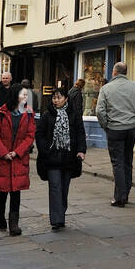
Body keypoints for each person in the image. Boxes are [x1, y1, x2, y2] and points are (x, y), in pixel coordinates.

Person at [0, 84, 36, 236]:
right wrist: (4, 152)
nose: (25, 97)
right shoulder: (1, 112)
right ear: (16, 95)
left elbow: (30, 135)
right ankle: (0, 218)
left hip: (18, 159)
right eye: (23, 94)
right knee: (2, 191)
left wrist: (17, 152)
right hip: (2, 159)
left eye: (26, 95)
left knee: (16, 192)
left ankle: (14, 224)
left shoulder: (28, 113)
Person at [36, 86, 86, 230]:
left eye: (59, 97)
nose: (56, 100)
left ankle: (60, 214)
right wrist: (44, 150)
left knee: (64, 188)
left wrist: (81, 150)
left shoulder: (74, 115)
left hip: (69, 157)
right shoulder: (47, 115)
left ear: (66, 99)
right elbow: (39, 134)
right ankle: (56, 219)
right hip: (51, 158)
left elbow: (80, 133)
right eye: (54, 98)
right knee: (55, 187)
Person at [95, 61, 135, 206]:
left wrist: (106, 125)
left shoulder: (106, 88)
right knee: (128, 161)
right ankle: (126, 194)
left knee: (117, 163)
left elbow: (99, 111)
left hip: (115, 128)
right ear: (126, 72)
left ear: (114, 72)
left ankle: (120, 197)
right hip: (131, 128)